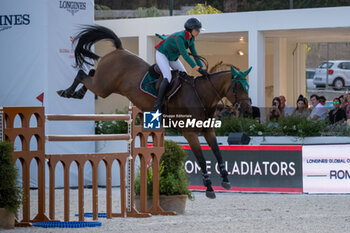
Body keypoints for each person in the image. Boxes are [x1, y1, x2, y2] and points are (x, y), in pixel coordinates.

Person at [153, 17, 207, 111]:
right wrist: (197, 69)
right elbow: (185, 56)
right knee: (168, 77)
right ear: (190, 30)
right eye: (196, 30)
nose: (198, 32)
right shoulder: (180, 37)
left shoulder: (191, 39)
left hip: (172, 57)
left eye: (199, 30)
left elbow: (194, 55)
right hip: (162, 54)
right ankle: (158, 103)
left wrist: (202, 68)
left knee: (185, 75)